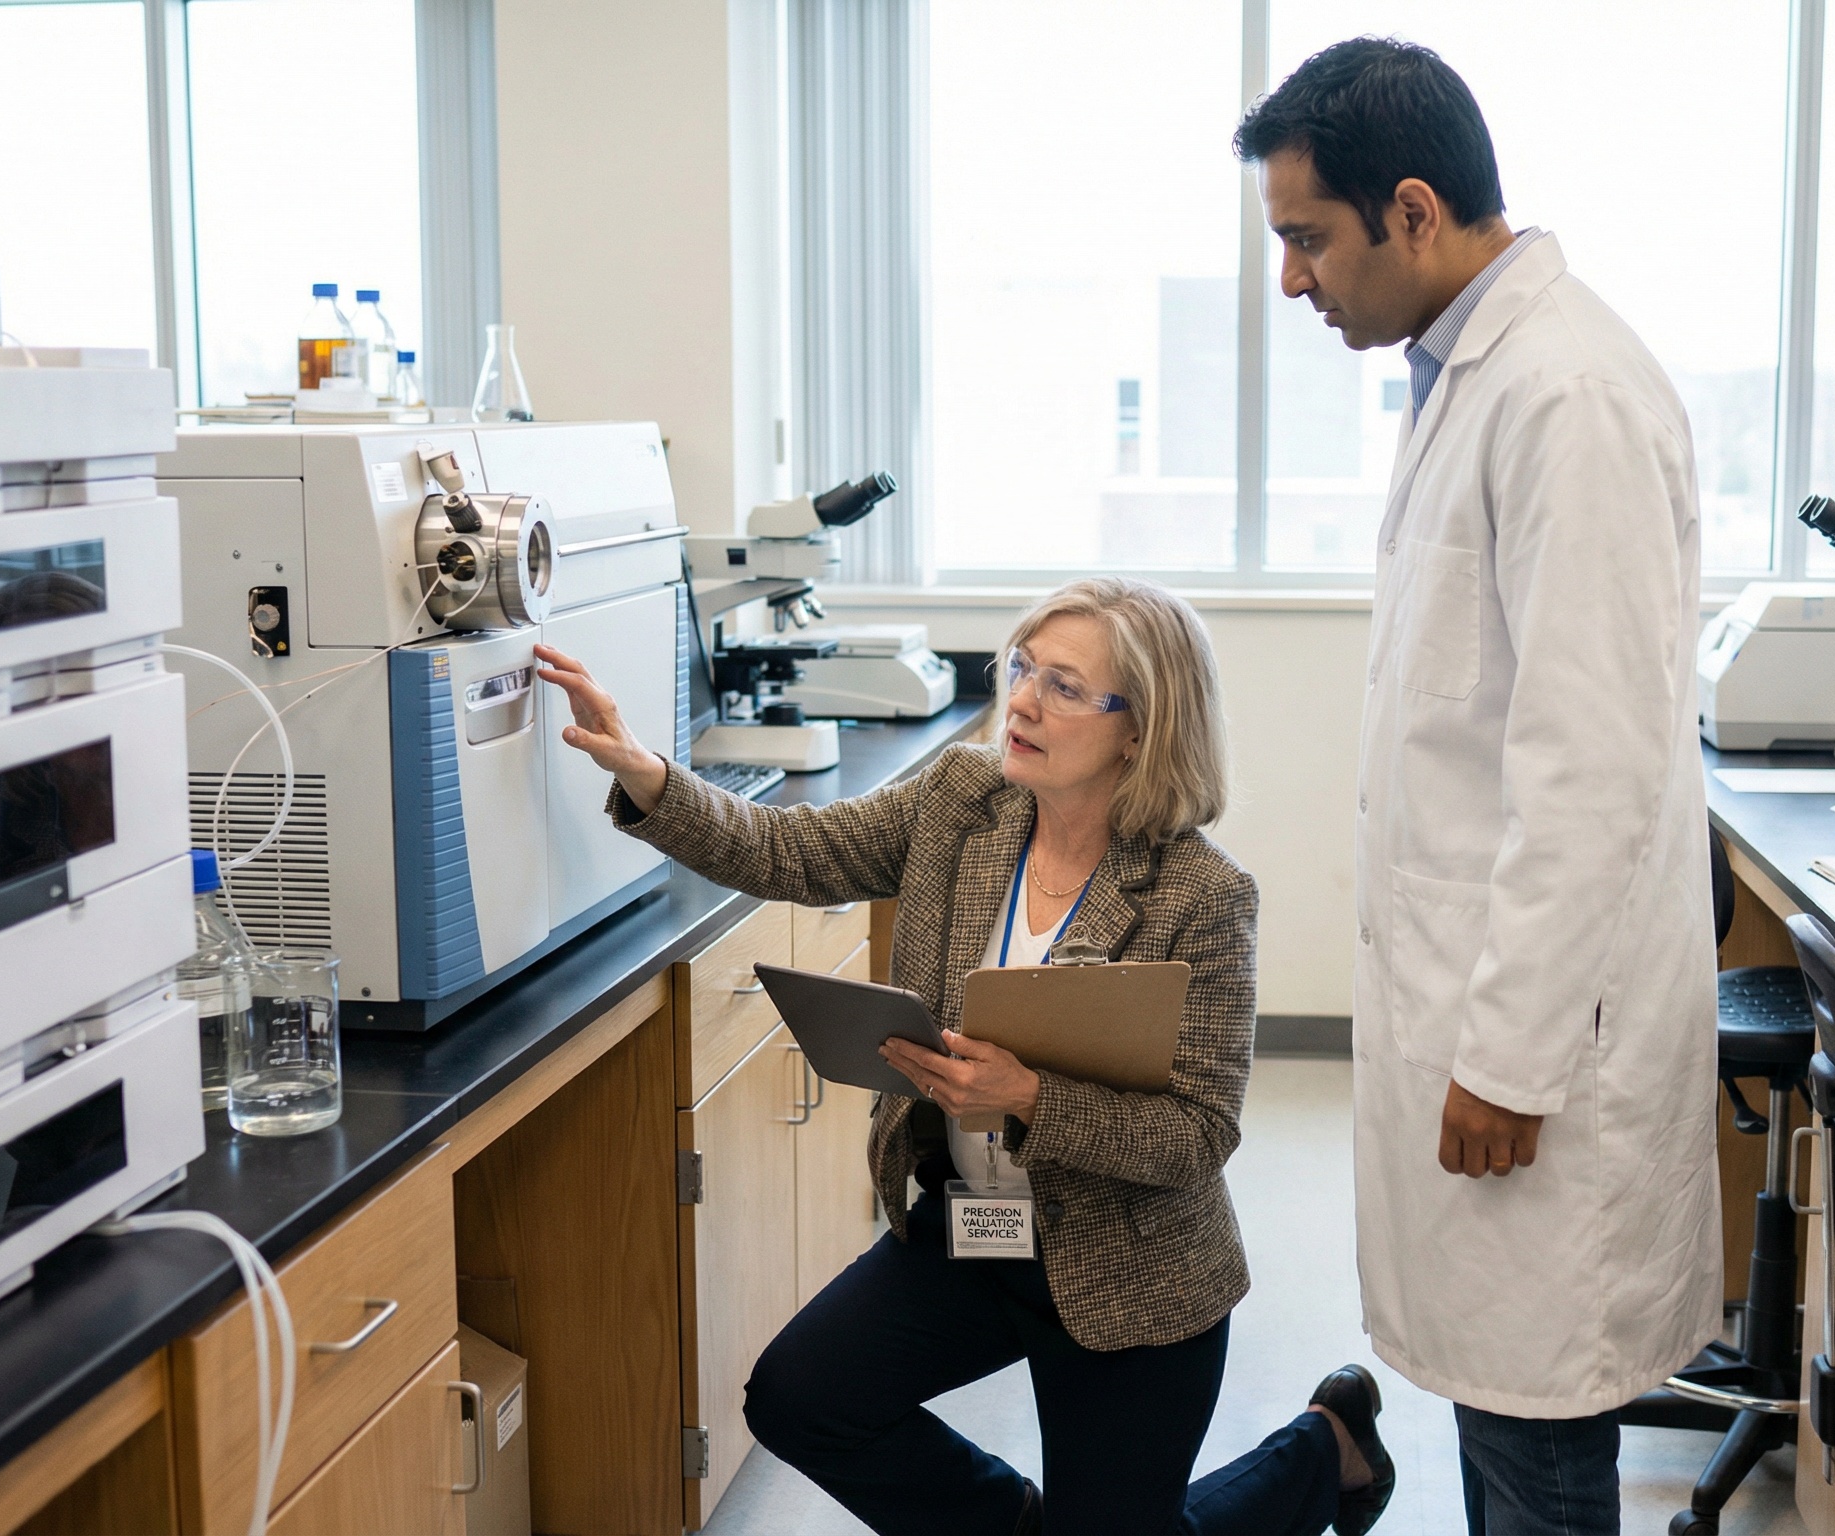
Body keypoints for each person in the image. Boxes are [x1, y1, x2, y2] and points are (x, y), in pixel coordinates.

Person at [536, 576, 1400, 1536]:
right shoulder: (962, 800)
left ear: (1141, 729)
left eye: (1066, 687)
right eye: (1023, 666)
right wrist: (651, 776)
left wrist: (1032, 1093)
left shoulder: (1199, 895)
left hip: (1126, 1262)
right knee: (798, 1398)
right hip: (976, 1227)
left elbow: (1197, 1137)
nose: (1022, 700)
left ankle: (1324, 1450)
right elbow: (795, 854)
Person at [1236, 39, 1723, 1535]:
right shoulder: (1472, 372)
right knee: (1504, 1417)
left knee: (1540, 1435)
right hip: (1482, 1002)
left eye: (1310, 241)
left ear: (1415, 212)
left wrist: (1508, 1057)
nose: (1293, 282)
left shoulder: (1563, 396)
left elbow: (1592, 766)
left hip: (1535, 1047)